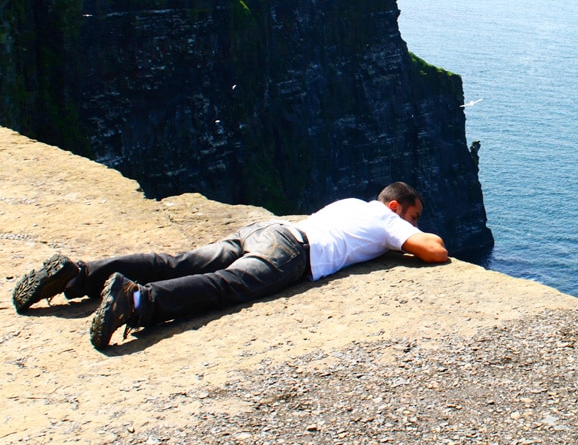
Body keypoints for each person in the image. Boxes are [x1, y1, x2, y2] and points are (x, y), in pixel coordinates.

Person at [11, 182, 448, 350]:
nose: (413, 224)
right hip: (293, 253)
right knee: (225, 287)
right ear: (396, 205)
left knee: (176, 260)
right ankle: (137, 301)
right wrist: (407, 236)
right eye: (413, 215)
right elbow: (435, 252)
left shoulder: (353, 202)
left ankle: (80, 273)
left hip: (266, 229)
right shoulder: (387, 219)